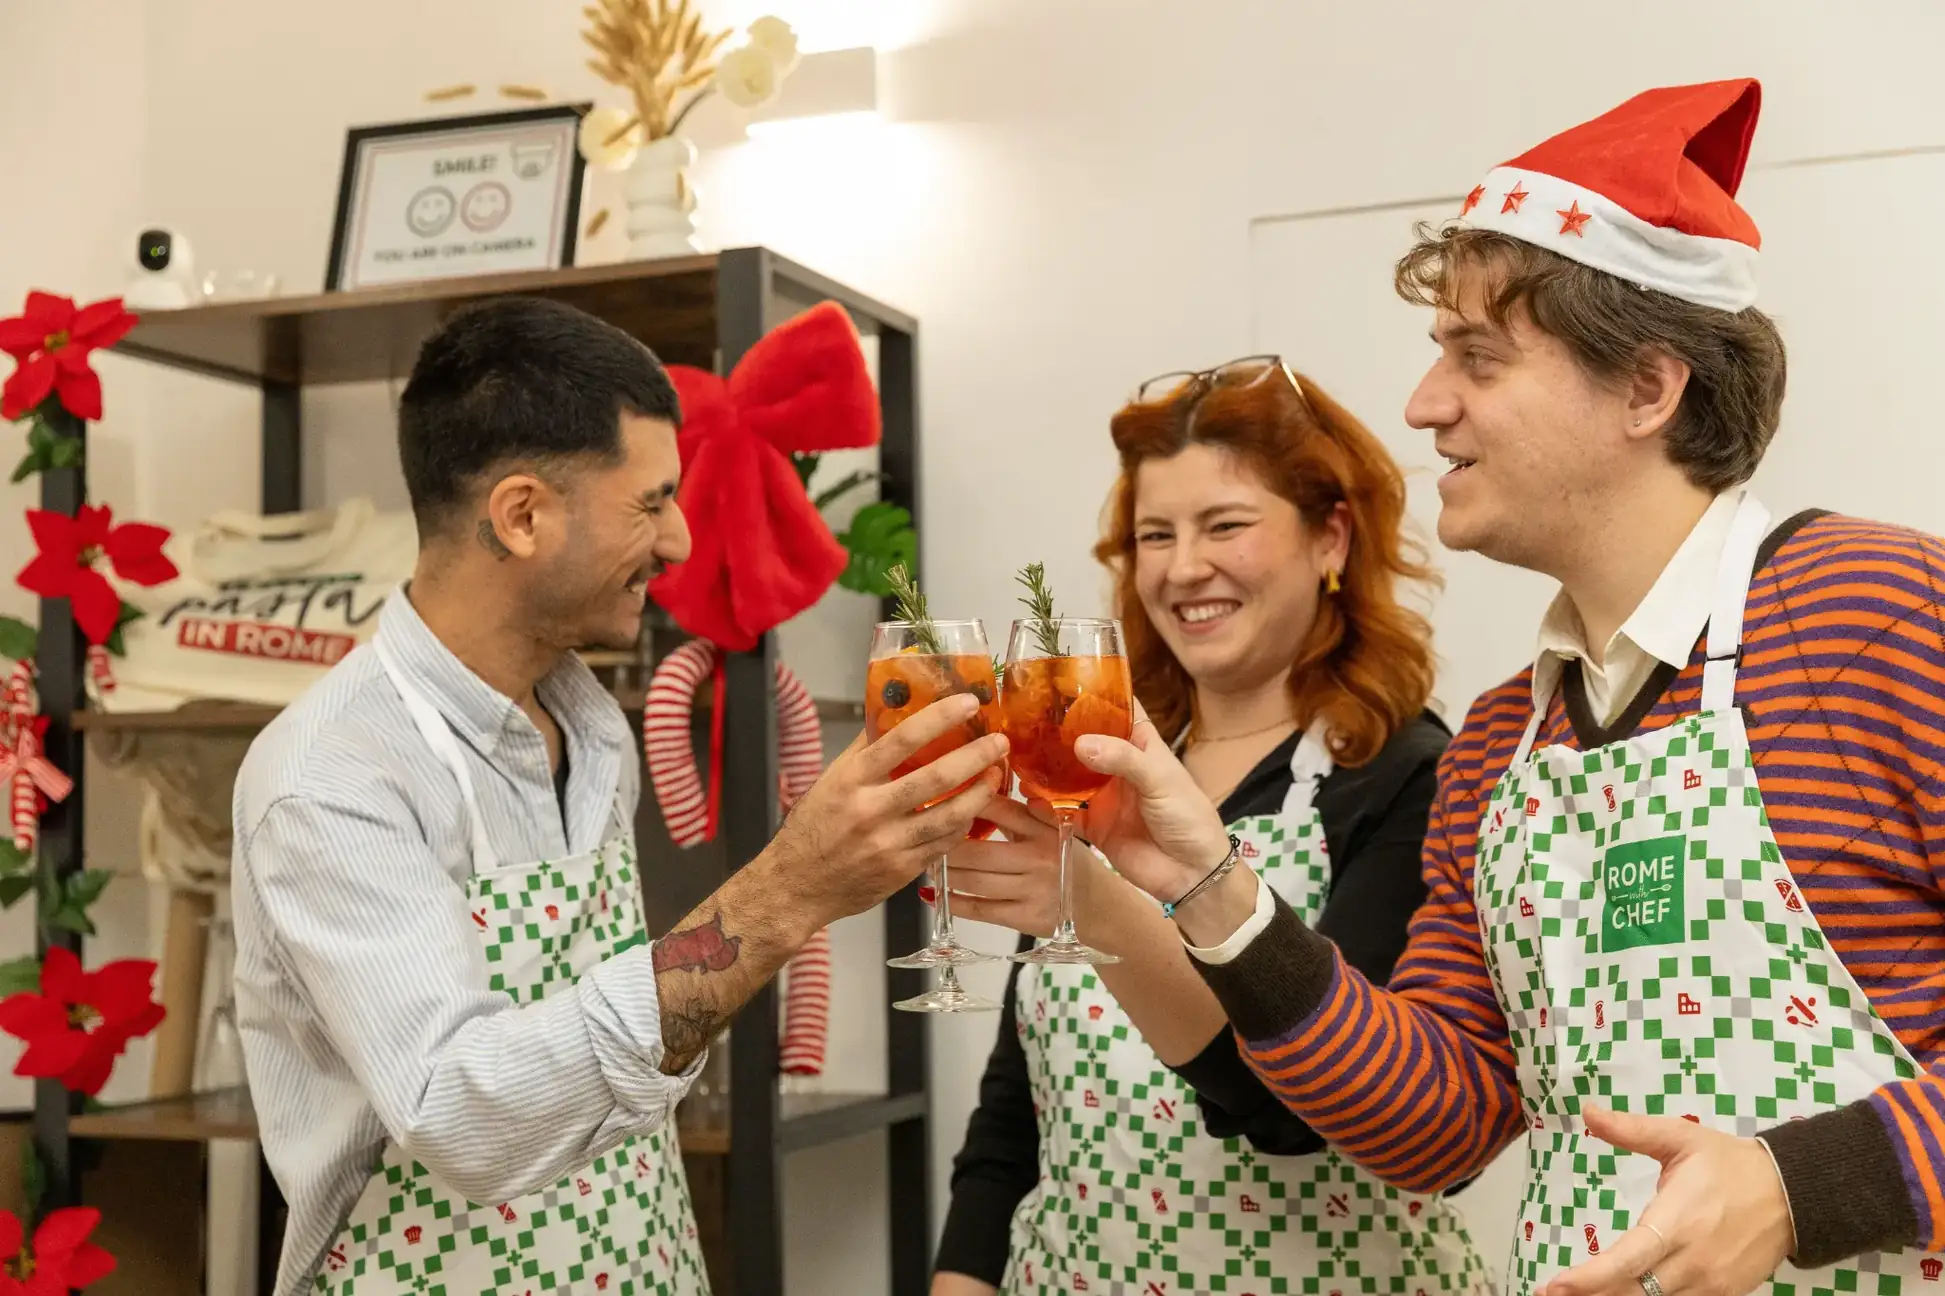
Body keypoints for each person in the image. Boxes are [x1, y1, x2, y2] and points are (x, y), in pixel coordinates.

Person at [1042, 77, 1945, 1296]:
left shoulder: (1879, 614)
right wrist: (1206, 886)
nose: (1425, 407)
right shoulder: (1498, 742)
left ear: (1646, 387)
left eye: (1478, 359)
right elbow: (1439, 1127)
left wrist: (1806, 1184)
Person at [230, 296, 1007, 1296]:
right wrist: (786, 892)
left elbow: (608, 1068)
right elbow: (461, 1118)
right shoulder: (330, 778)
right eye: (651, 503)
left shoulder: (592, 724)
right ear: (520, 515)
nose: (680, 540)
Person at [932, 359, 1489, 1295]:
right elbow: (1016, 1113)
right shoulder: (1092, 764)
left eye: (1225, 525)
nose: (1184, 567)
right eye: (1155, 534)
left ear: (1329, 537)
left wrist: (1104, 909)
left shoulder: (1410, 777)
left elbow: (1299, 1116)